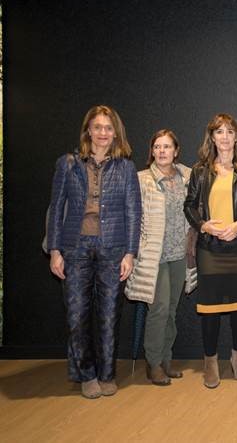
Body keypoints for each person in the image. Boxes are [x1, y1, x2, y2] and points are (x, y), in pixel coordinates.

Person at [47, 105, 141, 399]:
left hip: (113, 249)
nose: (103, 133)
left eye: (108, 128)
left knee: (109, 316)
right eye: (97, 127)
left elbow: (133, 212)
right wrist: (55, 250)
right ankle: (86, 374)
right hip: (75, 248)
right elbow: (55, 208)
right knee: (77, 315)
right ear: (88, 130)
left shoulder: (125, 168)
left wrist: (130, 253)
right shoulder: (68, 164)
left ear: (116, 133)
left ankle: (107, 373)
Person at [184, 114, 237, 389]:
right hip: (210, 248)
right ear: (212, 137)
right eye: (219, 132)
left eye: (230, 131)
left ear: (236, 137)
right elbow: (189, 205)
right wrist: (204, 226)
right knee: (210, 309)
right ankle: (210, 361)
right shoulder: (200, 170)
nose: (225, 137)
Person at [125, 129, 192, 386]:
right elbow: (132, 217)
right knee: (159, 309)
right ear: (152, 151)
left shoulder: (187, 176)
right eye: (157, 147)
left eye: (167, 146)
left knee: (171, 310)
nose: (162, 151)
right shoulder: (141, 179)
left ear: (176, 151)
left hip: (179, 254)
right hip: (154, 256)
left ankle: (166, 359)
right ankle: (153, 364)